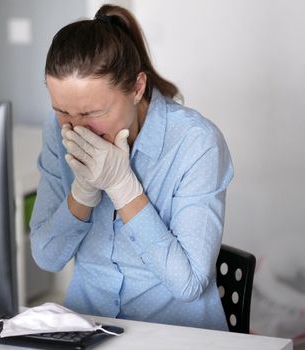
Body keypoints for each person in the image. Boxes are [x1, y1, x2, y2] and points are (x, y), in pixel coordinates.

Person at [30, 4, 233, 331]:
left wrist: (123, 188)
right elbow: (47, 257)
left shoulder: (195, 142)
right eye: (63, 112)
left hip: (176, 335)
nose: (77, 129)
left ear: (137, 88)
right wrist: (82, 193)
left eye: (93, 113)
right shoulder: (57, 133)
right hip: (88, 329)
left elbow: (189, 284)